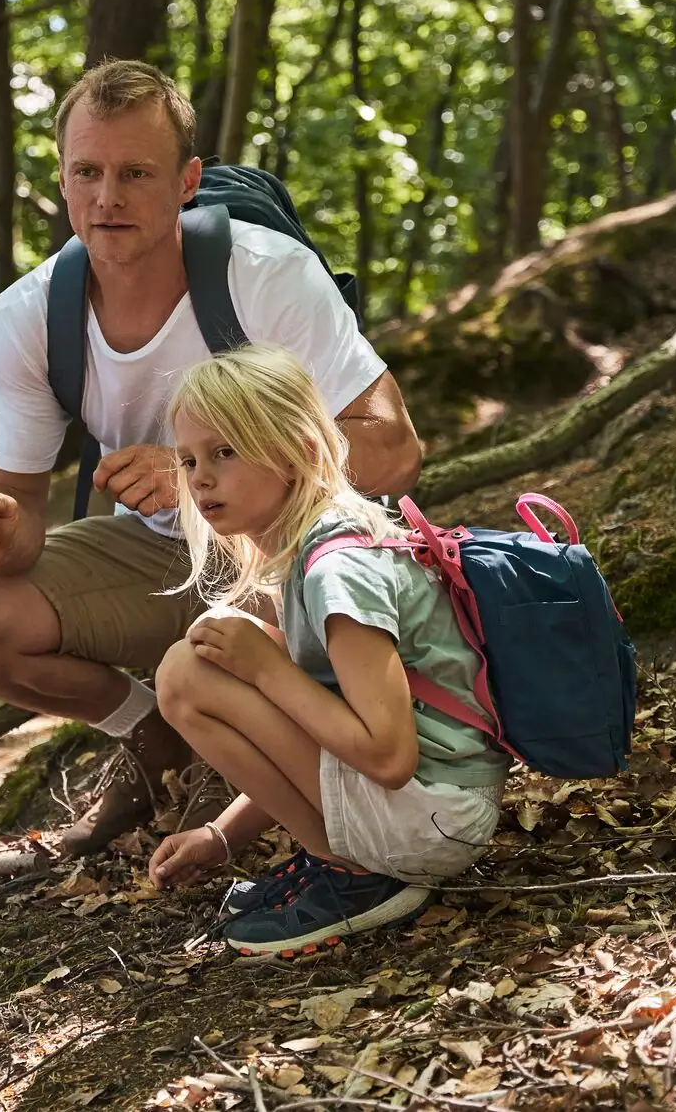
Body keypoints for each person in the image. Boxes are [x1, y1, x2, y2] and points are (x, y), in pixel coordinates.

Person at [0, 59, 423, 880]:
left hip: (294, 554)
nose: (107, 197)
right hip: (162, 556)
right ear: (62, 177)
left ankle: (320, 828)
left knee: (229, 640)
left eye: (135, 173)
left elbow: (395, 449)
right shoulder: (29, 315)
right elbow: (18, 522)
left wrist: (208, 458)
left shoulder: (264, 275)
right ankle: (149, 734)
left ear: (187, 181)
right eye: (87, 172)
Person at [143, 344, 509, 957]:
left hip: (434, 818)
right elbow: (309, 740)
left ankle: (356, 876)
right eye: (187, 460)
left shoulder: (338, 568)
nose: (200, 477)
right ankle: (342, 863)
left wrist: (266, 669)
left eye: (224, 452)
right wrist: (221, 836)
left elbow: (388, 756)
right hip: (429, 807)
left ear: (297, 452)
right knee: (224, 648)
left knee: (188, 671)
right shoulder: (314, 548)